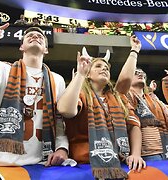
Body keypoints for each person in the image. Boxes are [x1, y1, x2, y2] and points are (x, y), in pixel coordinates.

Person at [0, 12, 68, 167]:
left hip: (44, 163)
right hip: (6, 163)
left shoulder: (57, 80)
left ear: (46, 49)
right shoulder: (2, 69)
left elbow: (59, 121)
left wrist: (62, 148)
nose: (35, 35)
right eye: (29, 35)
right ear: (21, 46)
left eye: (40, 35)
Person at [57, 36, 146, 179]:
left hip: (119, 163)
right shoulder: (80, 94)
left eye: (106, 68)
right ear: (88, 74)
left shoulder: (118, 97)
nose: (104, 69)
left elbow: (134, 125)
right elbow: (65, 110)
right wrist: (80, 74)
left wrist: (135, 154)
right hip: (86, 165)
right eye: (98, 66)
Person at [126, 68, 168, 161]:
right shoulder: (123, 97)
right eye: (135, 73)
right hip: (144, 155)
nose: (140, 74)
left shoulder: (158, 102)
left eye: (142, 73)